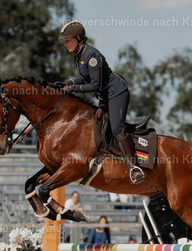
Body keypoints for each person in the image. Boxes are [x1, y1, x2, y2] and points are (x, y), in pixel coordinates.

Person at [57, 21, 144, 184]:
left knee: (117, 128)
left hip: (117, 93)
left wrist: (73, 88)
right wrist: (68, 82)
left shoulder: (92, 56)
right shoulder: (79, 54)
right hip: (105, 96)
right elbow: (85, 78)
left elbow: (95, 85)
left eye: (67, 40)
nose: (65, 43)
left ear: (78, 38)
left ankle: (134, 167)